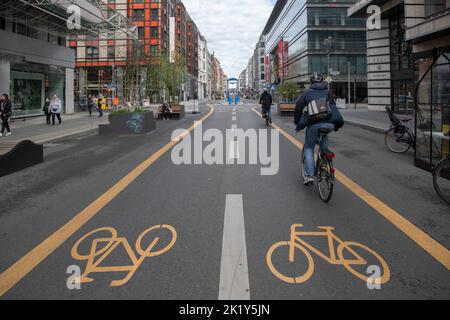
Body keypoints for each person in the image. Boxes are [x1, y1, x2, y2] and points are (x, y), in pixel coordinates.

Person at [294, 73, 344, 186]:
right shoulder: (327, 92)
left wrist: (297, 122)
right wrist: (336, 124)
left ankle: (309, 176)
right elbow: (333, 107)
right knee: (324, 134)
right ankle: (326, 157)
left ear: (311, 82)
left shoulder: (307, 93)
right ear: (322, 82)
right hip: (329, 124)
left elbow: (298, 108)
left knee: (309, 148)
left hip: (314, 124)